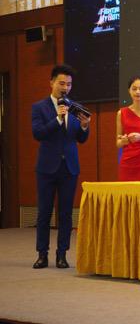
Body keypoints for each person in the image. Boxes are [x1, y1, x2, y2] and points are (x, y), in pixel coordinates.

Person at [32, 65, 91, 269]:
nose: (65, 87)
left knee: (66, 213)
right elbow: (38, 133)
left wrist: (85, 126)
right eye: (62, 83)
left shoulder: (75, 108)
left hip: (69, 168)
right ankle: (42, 254)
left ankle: (62, 255)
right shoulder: (39, 107)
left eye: (69, 84)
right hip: (46, 168)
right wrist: (58, 118)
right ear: (52, 82)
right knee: (44, 213)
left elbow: (81, 138)